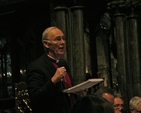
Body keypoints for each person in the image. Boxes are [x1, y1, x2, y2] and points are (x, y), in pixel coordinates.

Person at [26, 26, 87, 113]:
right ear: (46, 44)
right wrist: (54, 80)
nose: (62, 42)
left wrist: (77, 93)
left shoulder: (63, 63)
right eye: (57, 39)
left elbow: (65, 93)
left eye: (63, 38)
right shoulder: (36, 66)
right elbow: (35, 98)